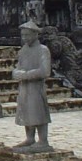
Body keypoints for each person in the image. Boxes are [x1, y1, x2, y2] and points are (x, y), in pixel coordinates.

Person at [12, 20, 52, 153]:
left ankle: (43, 140)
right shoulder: (23, 50)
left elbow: (45, 71)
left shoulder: (43, 50)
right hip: (24, 87)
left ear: (35, 35)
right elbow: (17, 68)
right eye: (23, 35)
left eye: (27, 35)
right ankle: (29, 138)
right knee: (26, 110)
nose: (25, 38)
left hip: (36, 87)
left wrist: (26, 74)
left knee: (38, 112)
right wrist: (17, 73)